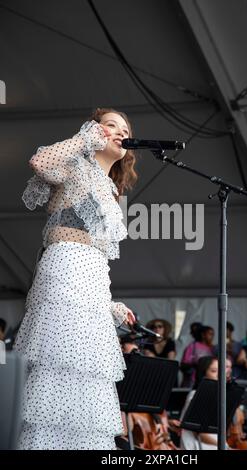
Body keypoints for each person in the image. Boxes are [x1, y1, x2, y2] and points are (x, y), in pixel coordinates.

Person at [13, 108, 137, 450]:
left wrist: (110, 306)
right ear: (95, 130)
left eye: (124, 129)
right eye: (110, 125)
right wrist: (84, 139)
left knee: (88, 378)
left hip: (91, 280)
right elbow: (39, 162)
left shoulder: (112, 192)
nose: (118, 132)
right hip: (64, 266)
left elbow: (98, 254)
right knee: (58, 367)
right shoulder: (76, 165)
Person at [180, 356, 232, 450]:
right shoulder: (194, 395)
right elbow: (201, 434)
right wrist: (226, 447)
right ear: (203, 374)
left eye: (220, 371)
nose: (219, 375)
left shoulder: (217, 396)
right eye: (214, 371)